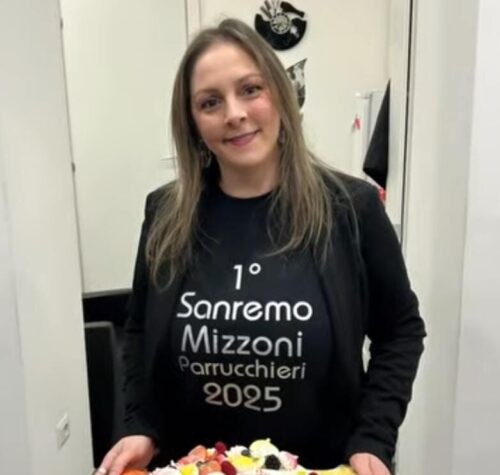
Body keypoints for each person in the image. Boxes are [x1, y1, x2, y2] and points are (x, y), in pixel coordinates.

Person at [97, 18, 426, 475]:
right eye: (210, 102)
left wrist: (373, 435)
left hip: (319, 467)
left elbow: (400, 331)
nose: (234, 113)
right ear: (192, 123)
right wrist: (140, 425)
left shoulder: (352, 209)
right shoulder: (165, 213)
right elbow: (137, 331)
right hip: (194, 466)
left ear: (281, 96)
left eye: (250, 89)